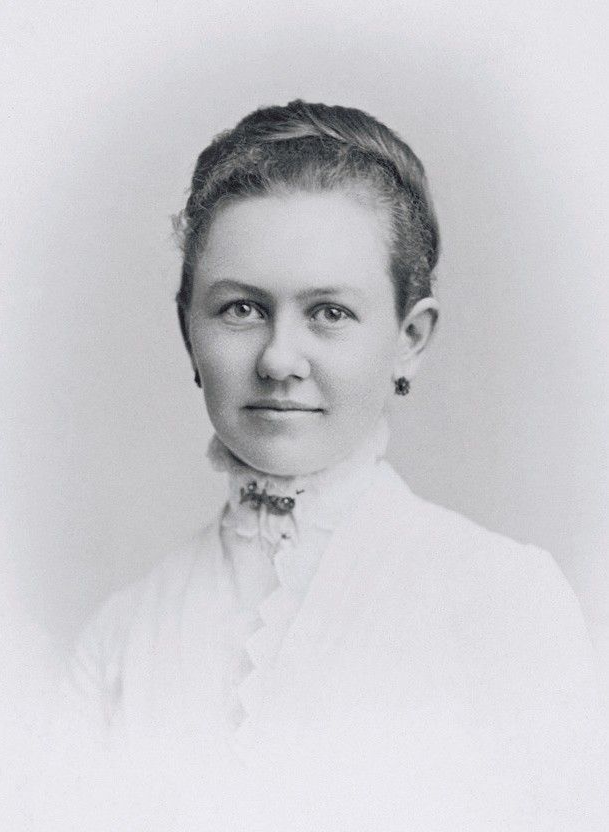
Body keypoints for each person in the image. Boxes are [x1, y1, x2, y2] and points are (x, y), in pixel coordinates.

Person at [66, 100, 603, 830]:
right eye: (242, 309)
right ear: (187, 330)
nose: (280, 360)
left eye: (329, 312)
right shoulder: (119, 641)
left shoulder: (504, 604)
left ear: (410, 338)